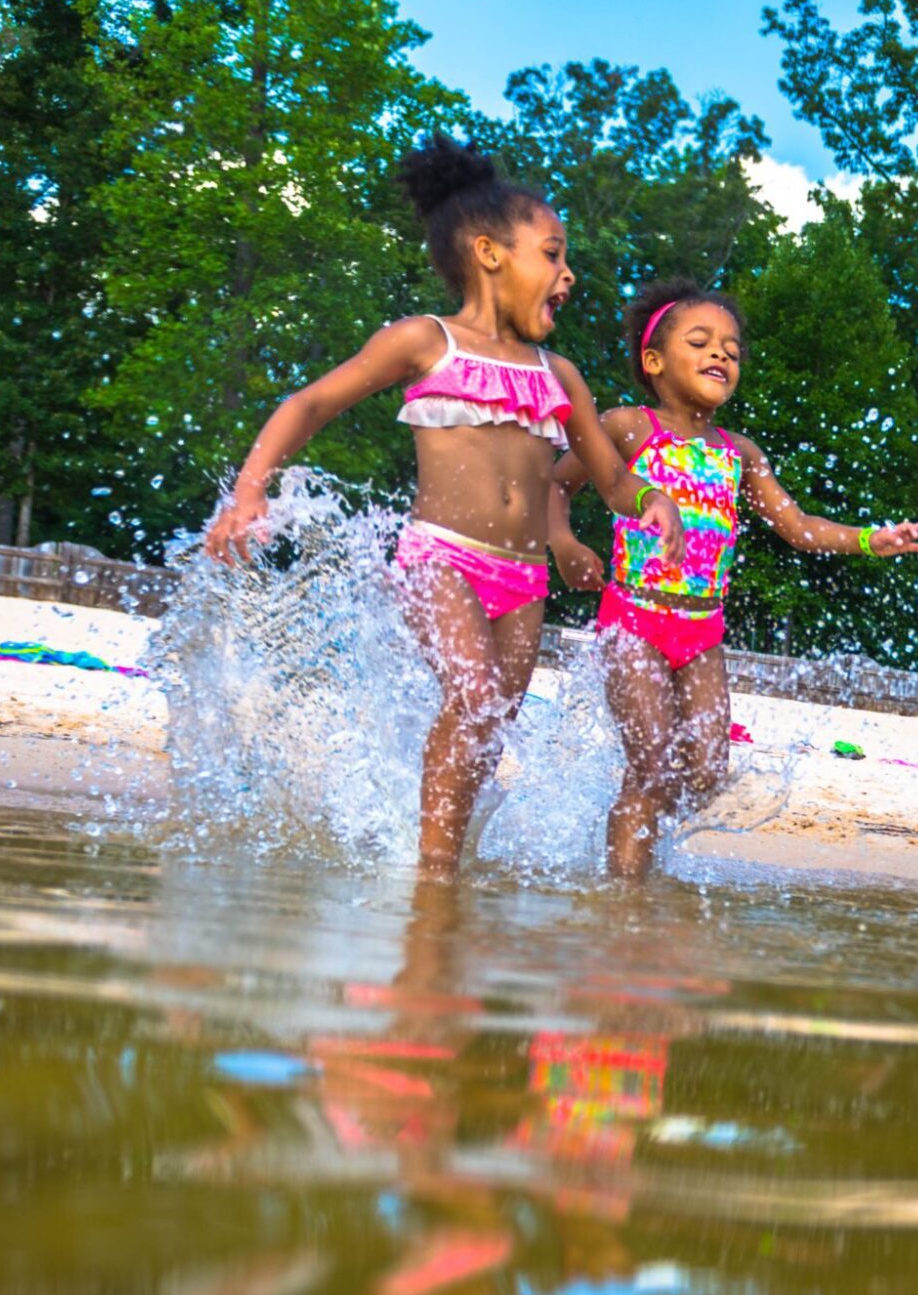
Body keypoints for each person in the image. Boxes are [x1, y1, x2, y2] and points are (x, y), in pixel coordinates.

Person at [204, 135, 684, 875]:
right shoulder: (427, 342)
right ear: (491, 253)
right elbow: (310, 402)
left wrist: (653, 502)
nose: (568, 273)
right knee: (474, 694)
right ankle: (431, 879)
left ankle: (445, 864)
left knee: (490, 728)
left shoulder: (561, 375)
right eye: (552, 253)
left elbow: (613, 478)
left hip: (524, 583)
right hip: (440, 559)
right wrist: (249, 489)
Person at [551, 280, 918, 877]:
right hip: (633, 621)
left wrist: (870, 539)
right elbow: (557, 483)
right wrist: (565, 542)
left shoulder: (741, 453)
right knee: (651, 766)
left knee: (704, 772)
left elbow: (798, 525)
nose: (721, 355)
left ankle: (632, 850)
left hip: (702, 633)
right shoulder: (630, 427)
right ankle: (620, 906)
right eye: (701, 342)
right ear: (653, 362)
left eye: (731, 349)